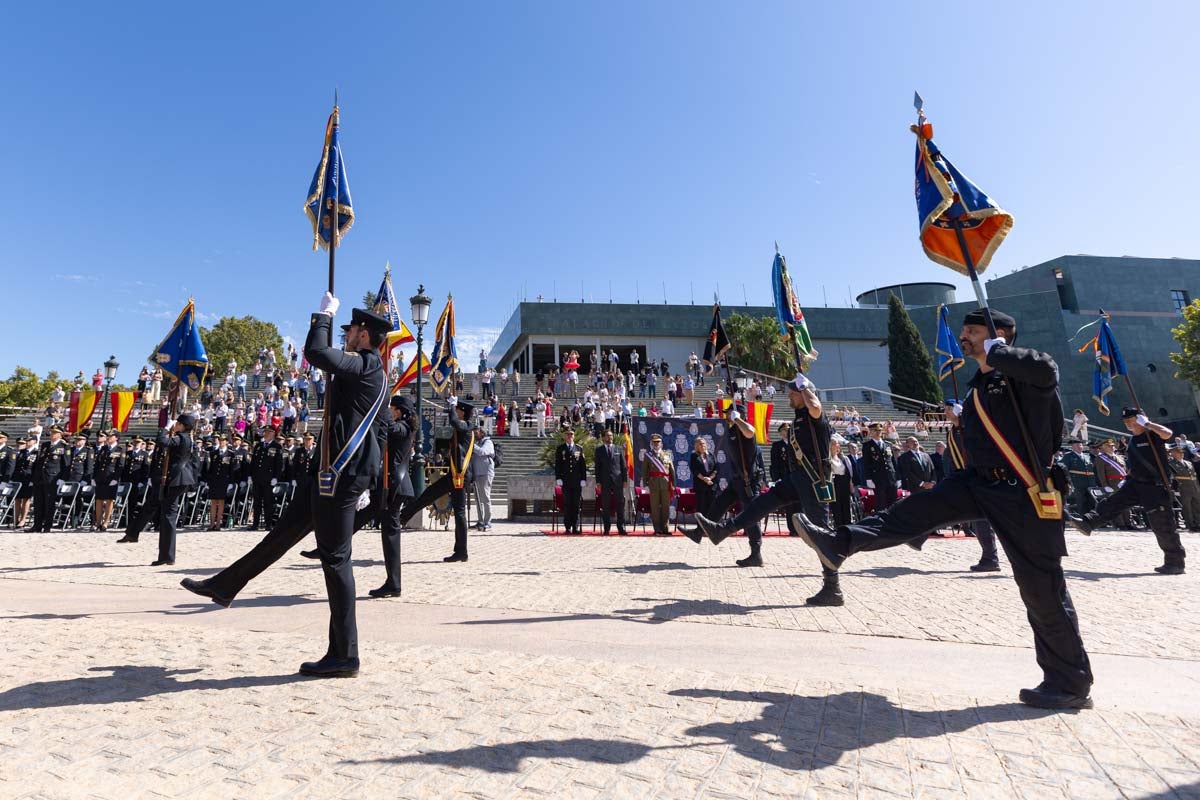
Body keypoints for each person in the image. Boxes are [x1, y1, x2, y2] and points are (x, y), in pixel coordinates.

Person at [792, 308, 1094, 710]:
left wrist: (1001, 354)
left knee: (1041, 590)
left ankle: (1069, 683)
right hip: (980, 481)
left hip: (1024, 491)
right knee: (912, 511)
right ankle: (840, 543)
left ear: (999, 335)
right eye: (964, 330)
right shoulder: (981, 384)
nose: (964, 336)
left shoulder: (1022, 374)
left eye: (972, 330)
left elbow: (1047, 370)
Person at [297, 297, 391, 678]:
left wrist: (323, 314)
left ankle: (345, 655)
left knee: (336, 561)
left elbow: (316, 352)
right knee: (331, 556)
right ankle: (226, 584)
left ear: (364, 334)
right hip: (347, 475)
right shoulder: (374, 371)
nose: (346, 336)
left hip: (342, 476)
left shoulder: (367, 366)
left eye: (349, 330)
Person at [696, 374, 836, 595]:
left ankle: (832, 586)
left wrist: (806, 386)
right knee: (761, 504)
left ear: (804, 394)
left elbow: (816, 406)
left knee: (821, 533)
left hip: (813, 480)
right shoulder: (799, 417)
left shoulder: (814, 416)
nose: (789, 394)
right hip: (796, 478)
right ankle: (723, 530)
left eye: (793, 392)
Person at [1077, 408, 1185, 574]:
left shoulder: (1152, 434)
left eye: (1131, 419)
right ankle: (1088, 523)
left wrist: (1148, 423)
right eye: (1125, 421)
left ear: (1141, 418)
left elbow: (1168, 433)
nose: (1128, 423)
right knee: (1112, 503)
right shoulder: (1133, 440)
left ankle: (1175, 562)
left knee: (1162, 524)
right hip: (1134, 483)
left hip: (1154, 486)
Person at [401, 399, 475, 562]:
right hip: (455, 475)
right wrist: (451, 408)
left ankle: (461, 551)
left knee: (459, 511)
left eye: (458, 410)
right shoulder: (464, 427)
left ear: (463, 412)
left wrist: (451, 407)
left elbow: (456, 422)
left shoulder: (468, 427)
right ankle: (404, 515)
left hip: (460, 476)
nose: (457, 412)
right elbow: (454, 422)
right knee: (430, 493)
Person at [370, 394, 416, 598]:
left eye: (393, 409)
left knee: (390, 534)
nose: (391, 412)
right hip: (389, 484)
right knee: (387, 532)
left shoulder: (405, 427)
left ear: (401, 411)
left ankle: (394, 582)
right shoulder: (402, 425)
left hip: (395, 485)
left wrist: (382, 407)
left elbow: (393, 428)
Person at [152, 413, 197, 566]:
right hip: (180, 478)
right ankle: (166, 554)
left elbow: (162, 441)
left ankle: (167, 555)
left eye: (177, 423)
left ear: (183, 426)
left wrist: (165, 428)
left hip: (177, 478)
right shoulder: (185, 437)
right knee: (167, 515)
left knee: (169, 515)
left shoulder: (182, 437)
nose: (175, 425)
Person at [31, 425, 70, 532]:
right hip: (40, 478)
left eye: (54, 433)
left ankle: (47, 526)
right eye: (51, 432)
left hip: (52, 478)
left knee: (49, 503)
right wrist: (35, 477)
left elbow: (66, 464)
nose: (52, 435)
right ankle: (37, 525)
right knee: (38, 503)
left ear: (60, 435)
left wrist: (62, 479)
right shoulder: (45, 445)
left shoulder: (64, 446)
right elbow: (40, 462)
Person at [249, 425, 284, 530]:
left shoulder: (277, 446)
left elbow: (279, 464)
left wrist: (276, 477)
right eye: (266, 432)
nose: (267, 434)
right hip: (257, 478)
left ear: (273, 434)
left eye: (269, 432)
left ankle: (268, 524)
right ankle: (255, 524)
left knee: (268, 502)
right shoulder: (259, 446)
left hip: (269, 479)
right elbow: (253, 462)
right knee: (257, 502)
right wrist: (250, 475)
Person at [594, 428, 628, 535]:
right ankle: (607, 528)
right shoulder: (599, 450)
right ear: (603, 438)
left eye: (611, 436)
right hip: (605, 481)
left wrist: (625, 480)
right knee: (606, 505)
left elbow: (623, 466)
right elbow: (597, 468)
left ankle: (621, 527)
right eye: (608, 436)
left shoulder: (619, 449)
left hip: (617, 481)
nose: (610, 438)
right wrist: (598, 481)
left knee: (620, 504)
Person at [640, 432, 674, 535]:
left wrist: (673, 484)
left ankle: (666, 528)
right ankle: (657, 529)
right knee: (655, 508)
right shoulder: (648, 456)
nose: (656, 444)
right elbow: (645, 471)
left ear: (661, 443)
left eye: (658, 442)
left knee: (665, 507)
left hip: (665, 484)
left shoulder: (667, 455)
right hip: (653, 484)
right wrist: (646, 485)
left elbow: (671, 470)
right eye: (654, 442)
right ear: (651, 443)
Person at [555, 427, 587, 534]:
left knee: (576, 504)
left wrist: (583, 478)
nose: (569, 436)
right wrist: (558, 478)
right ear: (565, 436)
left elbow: (583, 465)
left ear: (574, 436)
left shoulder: (579, 448)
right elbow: (558, 465)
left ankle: (575, 526)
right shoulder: (561, 449)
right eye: (567, 434)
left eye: (571, 434)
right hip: (566, 481)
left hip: (577, 481)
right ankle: (568, 526)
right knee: (567, 504)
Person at [1092, 439, 1130, 529]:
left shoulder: (1119, 457)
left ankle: (1128, 523)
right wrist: (1105, 486)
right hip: (1113, 484)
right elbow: (1101, 474)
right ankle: (1120, 524)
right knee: (1116, 504)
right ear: (1103, 447)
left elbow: (1125, 470)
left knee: (1127, 503)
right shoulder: (1100, 458)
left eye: (1113, 446)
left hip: (1123, 483)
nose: (1112, 447)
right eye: (1109, 446)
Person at [861, 422, 898, 511]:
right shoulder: (867, 445)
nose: (878, 432)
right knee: (881, 502)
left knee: (893, 502)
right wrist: (868, 478)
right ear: (871, 432)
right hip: (877, 477)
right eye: (875, 430)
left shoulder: (888, 444)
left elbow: (893, 462)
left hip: (890, 477)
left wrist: (898, 477)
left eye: (879, 430)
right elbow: (866, 463)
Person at [93, 430, 124, 532]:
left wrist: (115, 478)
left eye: (111, 436)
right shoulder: (104, 449)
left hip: (111, 478)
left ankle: (106, 522)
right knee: (99, 500)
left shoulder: (120, 450)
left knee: (109, 500)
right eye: (108, 436)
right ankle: (98, 522)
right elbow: (97, 464)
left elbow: (120, 466)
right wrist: (94, 477)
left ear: (116, 438)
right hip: (100, 477)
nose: (108, 438)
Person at [470, 422, 496, 531]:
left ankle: (488, 521)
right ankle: (480, 521)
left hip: (486, 473)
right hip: (477, 473)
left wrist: (472, 445)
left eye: (476, 432)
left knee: (485, 497)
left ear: (481, 432)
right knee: (478, 499)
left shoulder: (488, 442)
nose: (475, 434)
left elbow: (482, 452)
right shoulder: (477, 443)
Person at [1168, 443, 1200, 531]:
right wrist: (1175, 488)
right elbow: (1172, 477)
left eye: (1182, 452)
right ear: (1173, 453)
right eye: (1179, 452)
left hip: (1194, 486)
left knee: (1197, 505)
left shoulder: (1188, 463)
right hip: (1183, 487)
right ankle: (1190, 524)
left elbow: (1194, 475)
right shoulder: (1171, 463)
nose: (1181, 454)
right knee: (1187, 507)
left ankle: (1198, 523)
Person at [1061, 440, 1095, 516]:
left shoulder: (1087, 456)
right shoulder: (1068, 456)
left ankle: (1092, 518)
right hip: (1077, 483)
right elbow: (1064, 469)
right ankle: (1083, 518)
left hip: (1089, 482)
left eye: (1080, 445)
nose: (1079, 447)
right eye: (1077, 445)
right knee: (1081, 502)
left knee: (1091, 501)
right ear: (1072, 447)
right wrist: (1068, 482)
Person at [689, 437, 717, 520]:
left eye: (704, 443)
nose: (702, 445)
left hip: (711, 485)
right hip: (700, 486)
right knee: (701, 507)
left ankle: (711, 527)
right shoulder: (694, 456)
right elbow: (694, 470)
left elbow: (716, 468)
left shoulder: (711, 455)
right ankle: (701, 528)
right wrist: (704, 479)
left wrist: (710, 478)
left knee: (712, 507)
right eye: (700, 444)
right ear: (696, 446)